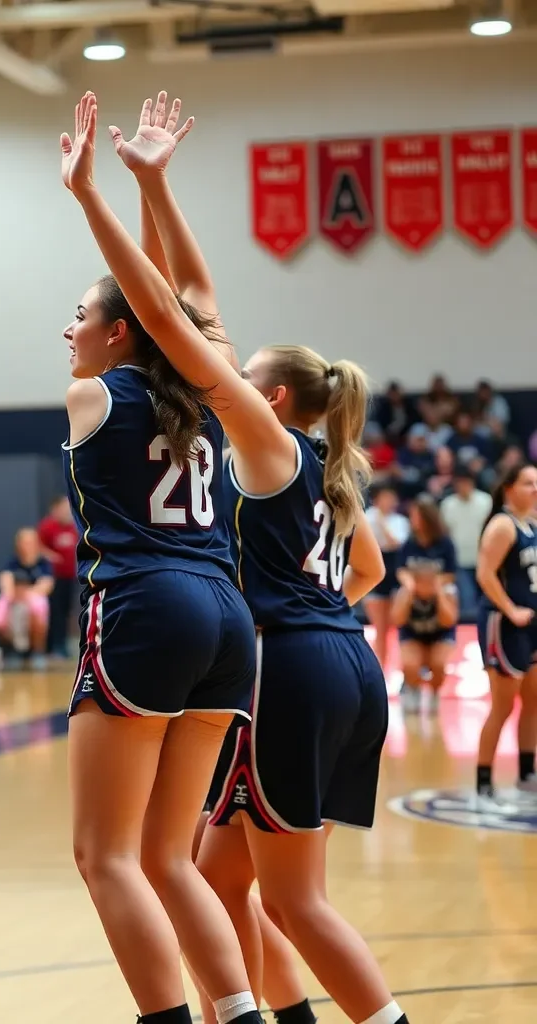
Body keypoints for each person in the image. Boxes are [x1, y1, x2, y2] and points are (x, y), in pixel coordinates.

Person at [100, 91, 409, 1024]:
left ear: (267, 396)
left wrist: (129, 197)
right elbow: (370, 578)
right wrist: (155, 185)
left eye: (241, 367)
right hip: (337, 655)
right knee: (214, 874)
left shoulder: (267, 450)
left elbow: (180, 315)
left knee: (293, 899)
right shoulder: (331, 467)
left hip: (294, 668)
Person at [61, 90, 263, 1024]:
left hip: (148, 606)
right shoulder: (216, 389)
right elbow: (185, 304)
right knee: (167, 856)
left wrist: (93, 192)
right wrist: (153, 183)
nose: (67, 332)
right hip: (228, 617)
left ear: (117, 333)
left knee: (105, 856)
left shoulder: (92, 401)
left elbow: (155, 299)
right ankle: (238, 1012)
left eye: (79, 316)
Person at [474, 463, 537, 802]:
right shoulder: (502, 524)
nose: (536, 489)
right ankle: (484, 778)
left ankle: (528, 772)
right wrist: (512, 610)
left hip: (532, 624)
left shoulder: (533, 524)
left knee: (534, 701)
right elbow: (485, 574)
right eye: (529, 483)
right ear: (509, 488)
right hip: (504, 623)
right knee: (503, 705)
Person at [394, 496, 458, 714]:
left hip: (438, 593)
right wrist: (411, 586)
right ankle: (411, 688)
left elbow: (451, 574)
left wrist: (436, 588)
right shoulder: (409, 542)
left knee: (438, 665)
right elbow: (401, 569)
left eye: (415, 515)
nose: (412, 519)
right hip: (414, 597)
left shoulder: (445, 543)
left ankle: (433, 693)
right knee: (411, 665)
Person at [363, 484, 411, 678]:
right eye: (385, 497)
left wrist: (381, 521)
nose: (389, 501)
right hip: (374, 570)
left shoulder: (400, 521)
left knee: (396, 624)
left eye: (392, 497)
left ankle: (400, 671)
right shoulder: (366, 517)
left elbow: (397, 542)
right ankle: (378, 673)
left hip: (395, 571)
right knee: (380, 628)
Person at [0, 527, 55, 667]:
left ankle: (38, 651)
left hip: (34, 595)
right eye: (24, 542)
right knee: (0, 614)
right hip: (14, 596)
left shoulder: (43, 563)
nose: (28, 546)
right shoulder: (12, 562)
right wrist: (13, 594)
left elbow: (47, 584)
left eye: (31, 542)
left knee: (39, 609)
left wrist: (28, 594)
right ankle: (11, 649)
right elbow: (5, 581)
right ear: (18, 544)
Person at [440, 468, 492, 623]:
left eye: (466, 483)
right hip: (460, 560)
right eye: (459, 483)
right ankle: (469, 635)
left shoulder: (486, 501)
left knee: (487, 598)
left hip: (484, 559)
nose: (463, 486)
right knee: (467, 602)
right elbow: (445, 532)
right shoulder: (448, 504)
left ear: (472, 483)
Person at [37, 495, 79, 657]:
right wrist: (50, 555)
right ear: (55, 509)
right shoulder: (47, 527)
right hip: (54, 579)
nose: (66, 511)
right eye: (63, 507)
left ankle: (64, 645)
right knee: (56, 612)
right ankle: (55, 646)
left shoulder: (72, 527)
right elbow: (38, 546)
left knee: (68, 611)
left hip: (70, 577)